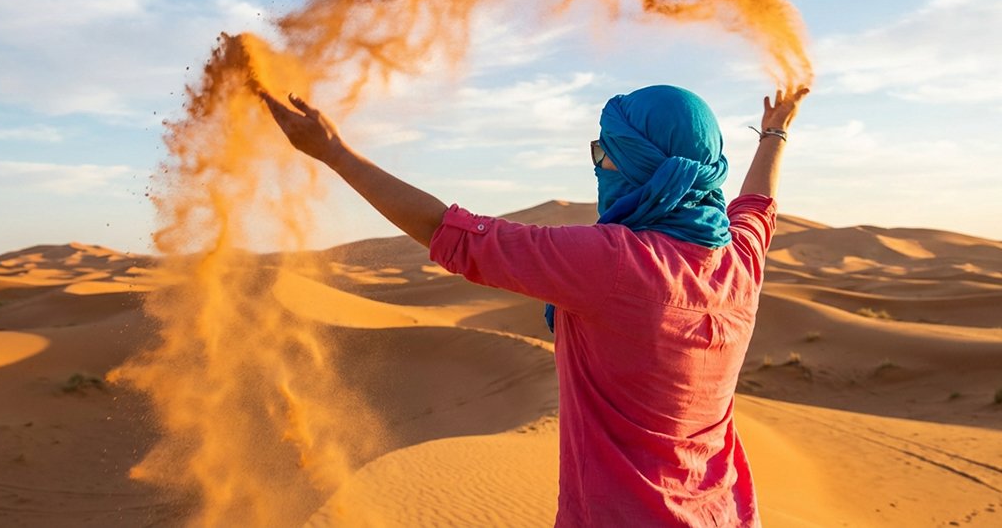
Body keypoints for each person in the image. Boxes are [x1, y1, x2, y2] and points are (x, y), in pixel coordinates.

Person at [259, 83, 808, 527]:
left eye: (605, 153)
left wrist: (332, 152)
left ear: (643, 163)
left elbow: (453, 236)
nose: (597, 166)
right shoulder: (739, 260)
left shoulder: (614, 263)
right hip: (726, 514)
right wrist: (775, 132)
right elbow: (758, 204)